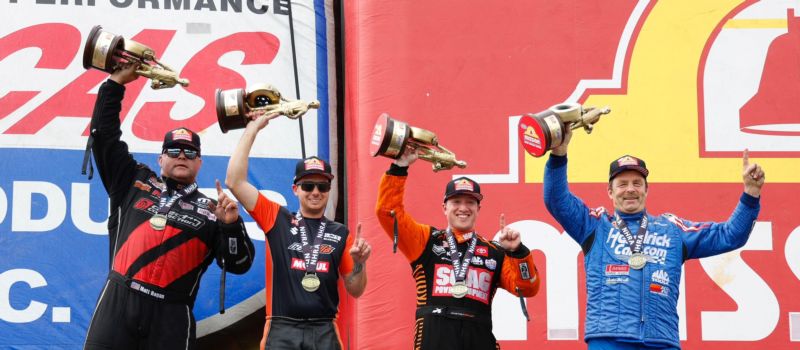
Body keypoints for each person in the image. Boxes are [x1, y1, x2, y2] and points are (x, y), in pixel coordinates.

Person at [542, 128, 764, 350]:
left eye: (637, 183)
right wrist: (558, 154)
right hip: (609, 339)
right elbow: (556, 199)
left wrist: (751, 194)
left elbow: (730, 235)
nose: (630, 189)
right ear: (610, 191)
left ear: (647, 190)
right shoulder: (595, 225)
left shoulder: (672, 230)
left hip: (662, 341)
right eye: (622, 184)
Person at [83, 63, 255, 349]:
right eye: (173, 150)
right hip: (119, 300)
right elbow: (104, 135)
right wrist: (115, 83)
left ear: (199, 163)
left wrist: (231, 225)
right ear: (160, 159)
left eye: (190, 152)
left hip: (171, 314)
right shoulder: (132, 180)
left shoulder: (213, 209)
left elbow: (238, 264)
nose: (182, 156)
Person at [225, 112, 371, 350]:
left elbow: (356, 290)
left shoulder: (341, 233)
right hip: (282, 328)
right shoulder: (276, 218)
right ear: (295, 189)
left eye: (323, 186)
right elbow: (235, 181)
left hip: (324, 329)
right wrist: (252, 129)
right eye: (308, 185)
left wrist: (360, 264)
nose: (315, 191)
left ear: (329, 189)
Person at [375, 148, 541, 350]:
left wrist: (518, 252)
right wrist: (400, 168)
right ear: (444, 207)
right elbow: (387, 212)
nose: (463, 207)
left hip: (478, 337)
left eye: (470, 202)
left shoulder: (494, 252)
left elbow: (526, 288)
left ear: (478, 209)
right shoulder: (426, 240)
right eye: (456, 201)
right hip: (435, 336)